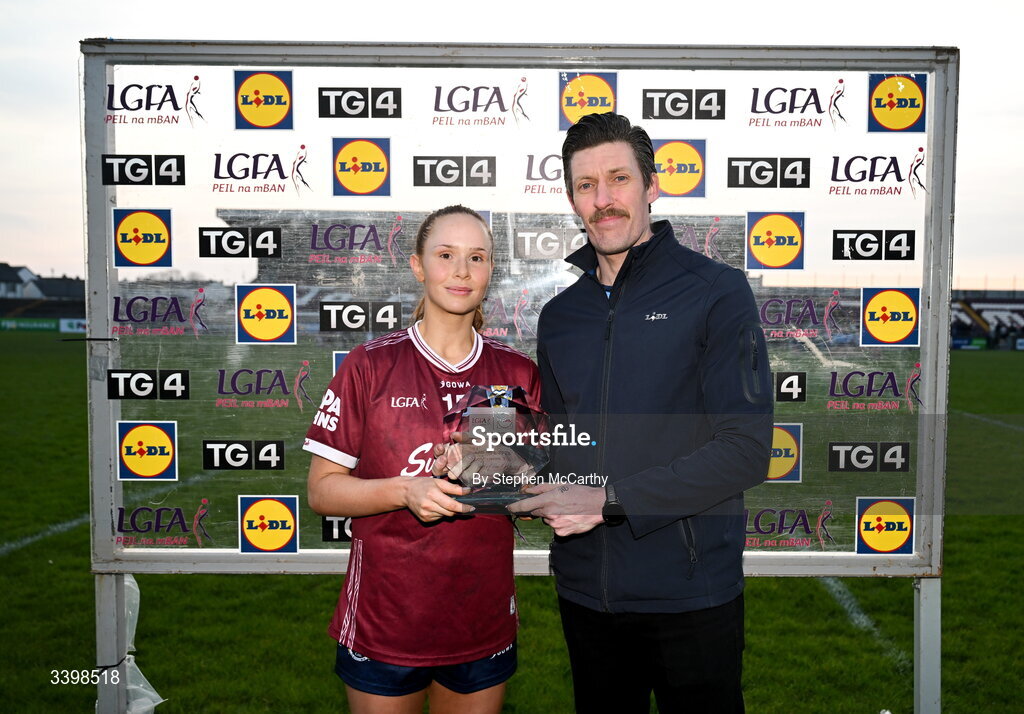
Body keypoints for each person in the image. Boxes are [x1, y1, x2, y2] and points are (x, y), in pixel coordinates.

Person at [509, 113, 773, 713]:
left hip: (691, 594)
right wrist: (493, 463)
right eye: (585, 185)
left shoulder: (716, 291)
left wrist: (608, 501)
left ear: (651, 186)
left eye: (619, 179)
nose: (603, 200)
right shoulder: (561, 316)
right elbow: (559, 440)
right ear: (571, 197)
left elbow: (747, 449)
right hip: (586, 593)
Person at [304, 205, 541, 714]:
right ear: (417, 266)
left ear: (490, 270)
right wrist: (405, 489)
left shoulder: (517, 373)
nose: (461, 271)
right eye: (446, 255)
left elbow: (539, 491)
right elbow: (322, 491)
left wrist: (499, 476)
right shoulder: (369, 365)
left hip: (481, 619)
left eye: (476, 257)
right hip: (385, 621)